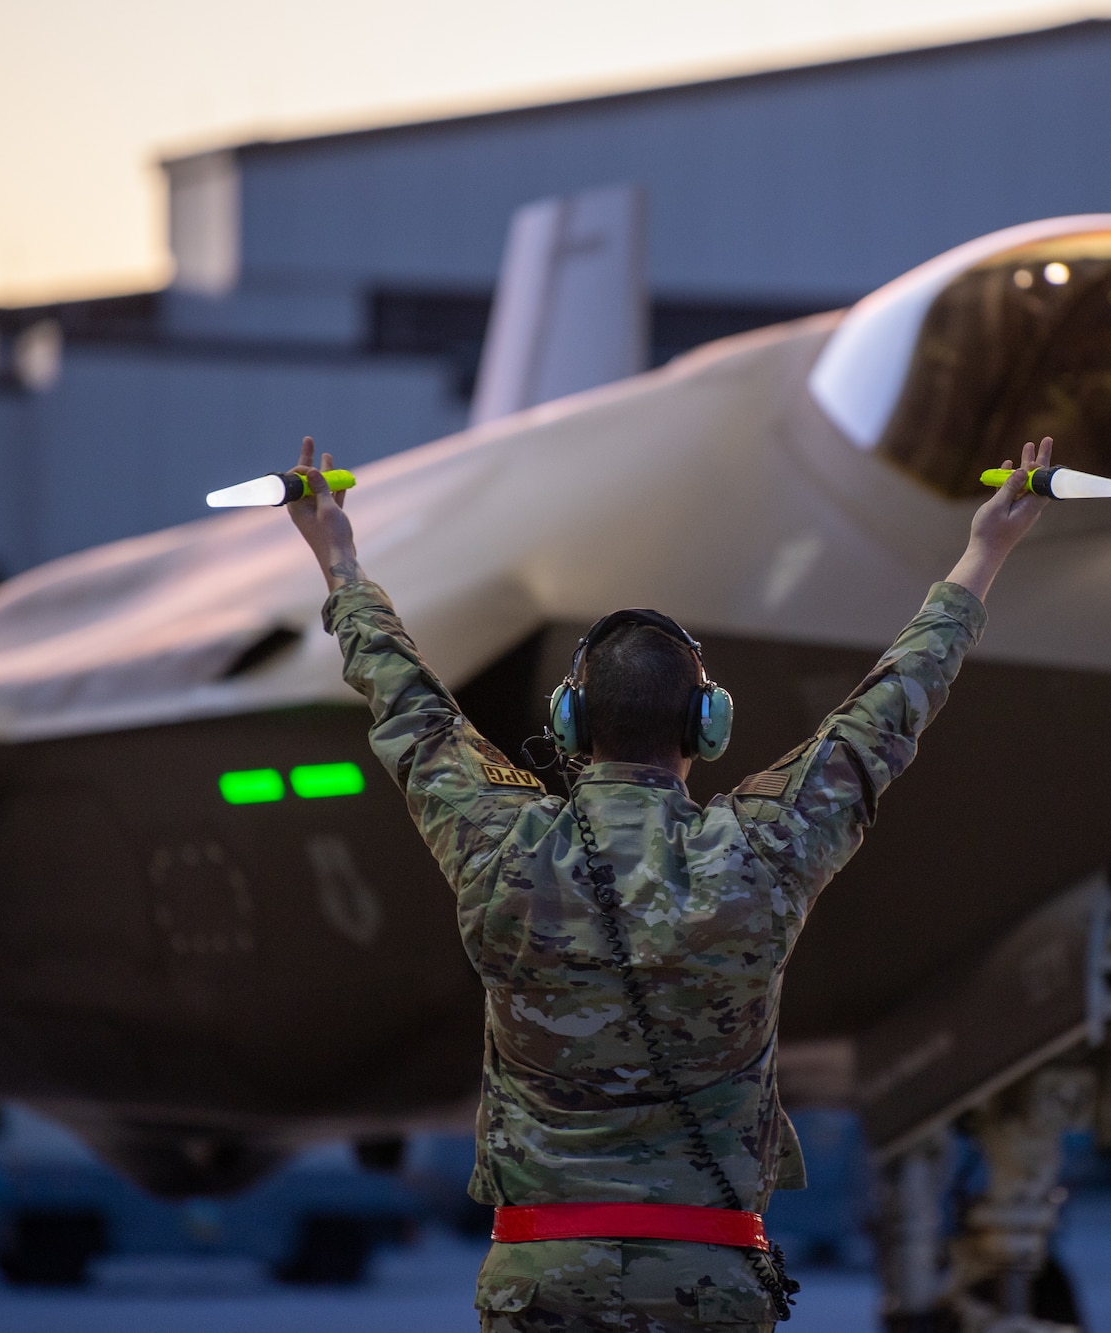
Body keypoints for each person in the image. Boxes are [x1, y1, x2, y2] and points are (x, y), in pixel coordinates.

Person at [286, 433, 1055, 1331]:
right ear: (708, 725)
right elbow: (883, 716)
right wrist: (984, 551)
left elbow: (407, 703)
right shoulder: (760, 851)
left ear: (571, 724)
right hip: (711, 1279)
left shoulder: (501, 842)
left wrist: (337, 558)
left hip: (541, 1278)